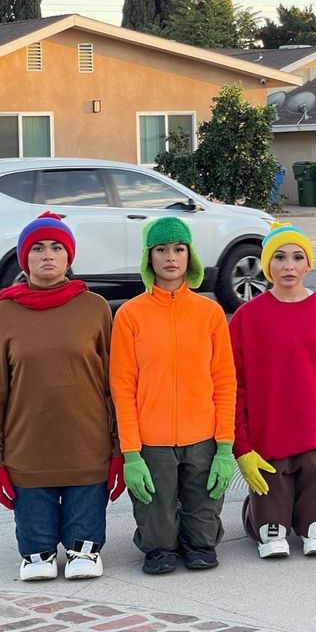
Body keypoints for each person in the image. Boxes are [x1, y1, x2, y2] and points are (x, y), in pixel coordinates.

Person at [0, 211, 124, 582]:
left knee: (84, 549)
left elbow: (113, 384)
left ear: (69, 257)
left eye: (57, 247)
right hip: (28, 453)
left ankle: (85, 548)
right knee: (37, 553)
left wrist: (119, 448)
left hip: (87, 449)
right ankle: (37, 551)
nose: (48, 254)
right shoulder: (4, 314)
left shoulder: (94, 309)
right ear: (24, 258)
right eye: (38, 248)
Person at [230, 222, 316, 559]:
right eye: (279, 258)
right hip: (269, 441)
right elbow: (232, 386)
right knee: (271, 528)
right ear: (267, 265)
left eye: (297, 257)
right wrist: (242, 445)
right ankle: (262, 516)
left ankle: (312, 521)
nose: (289, 266)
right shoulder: (247, 318)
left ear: (309, 264)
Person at [109, 216, 237, 575]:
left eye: (178, 249)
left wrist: (224, 447)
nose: (170, 257)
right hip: (153, 441)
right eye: (161, 249)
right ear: (148, 257)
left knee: (203, 537)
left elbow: (225, 381)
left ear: (189, 255)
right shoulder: (130, 315)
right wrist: (131, 453)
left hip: (203, 437)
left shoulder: (210, 313)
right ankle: (160, 544)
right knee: (159, 534)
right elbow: (123, 387)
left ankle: (196, 538)